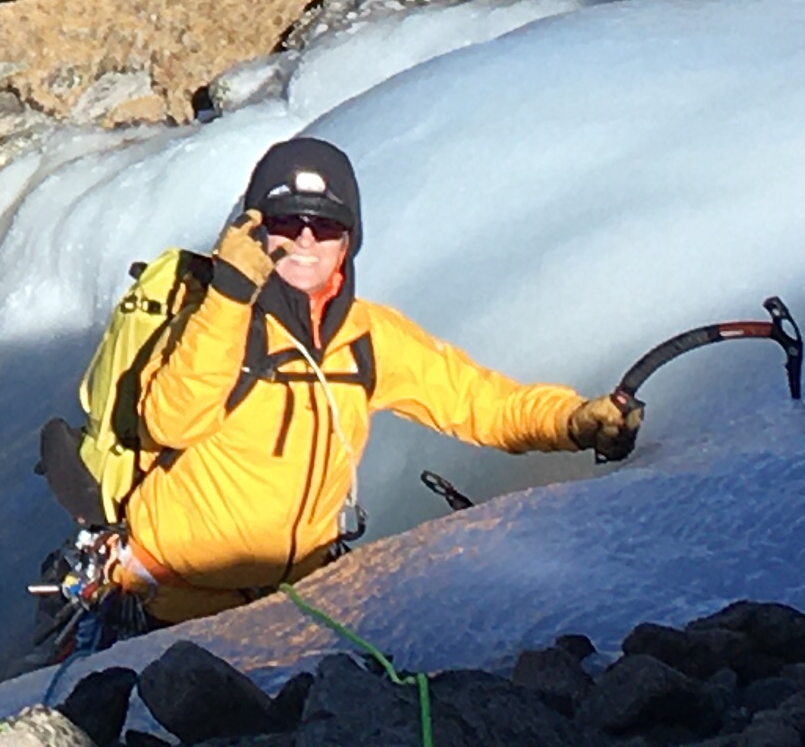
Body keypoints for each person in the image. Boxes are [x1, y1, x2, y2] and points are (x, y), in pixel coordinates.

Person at [51, 134, 640, 631]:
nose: (306, 240)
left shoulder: (367, 337)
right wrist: (229, 295)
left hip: (293, 604)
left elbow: (477, 401)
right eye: (287, 222)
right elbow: (169, 421)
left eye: (325, 226)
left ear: (348, 241)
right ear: (254, 231)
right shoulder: (214, 320)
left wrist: (571, 422)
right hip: (167, 606)